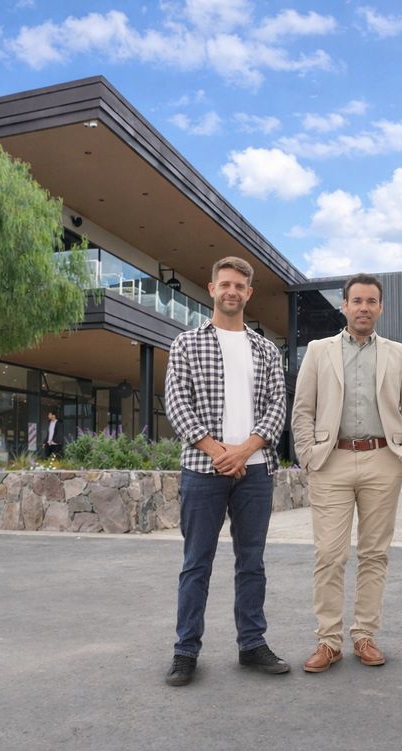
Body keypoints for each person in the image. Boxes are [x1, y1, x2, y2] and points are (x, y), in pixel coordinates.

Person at [163, 255, 289, 686]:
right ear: (212, 288)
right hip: (202, 470)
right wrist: (219, 452)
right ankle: (185, 651)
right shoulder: (186, 344)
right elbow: (176, 404)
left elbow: (277, 407)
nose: (232, 291)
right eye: (225, 284)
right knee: (196, 563)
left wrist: (245, 450)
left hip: (255, 472)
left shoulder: (266, 349)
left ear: (248, 293)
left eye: (240, 285)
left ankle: (252, 644)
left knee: (251, 562)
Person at [292, 273, 402, 672]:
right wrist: (308, 455)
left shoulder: (398, 353)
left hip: (382, 459)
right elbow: (303, 409)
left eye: (371, 301)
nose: (364, 307)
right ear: (344, 306)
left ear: (380, 308)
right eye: (357, 301)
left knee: (374, 554)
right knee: (329, 554)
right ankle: (328, 641)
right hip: (331, 462)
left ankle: (364, 635)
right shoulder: (318, 351)